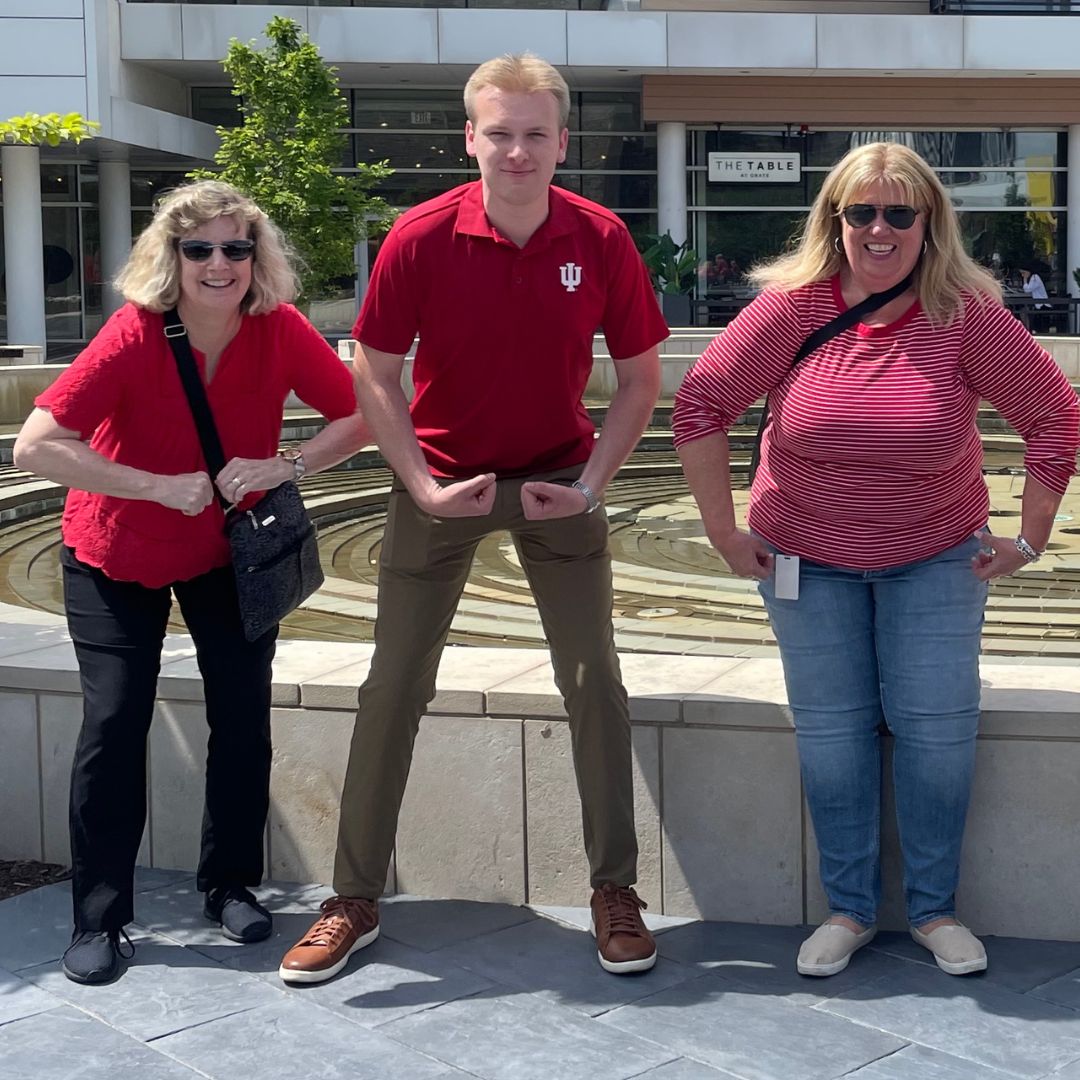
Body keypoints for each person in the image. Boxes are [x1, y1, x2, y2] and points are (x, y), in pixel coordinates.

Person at [278, 53, 667, 986]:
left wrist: (592, 487)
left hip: (556, 485)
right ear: (470, 137)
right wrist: (414, 483)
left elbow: (642, 378)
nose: (518, 150)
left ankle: (615, 889)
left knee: (594, 682)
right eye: (500, 132)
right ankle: (353, 896)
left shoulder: (600, 237)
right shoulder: (419, 238)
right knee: (391, 688)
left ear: (562, 141)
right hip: (444, 484)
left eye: (536, 133)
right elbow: (372, 370)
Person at [673, 142, 1079, 979]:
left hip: (935, 559)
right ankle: (851, 908)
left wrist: (1030, 537)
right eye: (861, 212)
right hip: (803, 560)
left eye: (900, 212)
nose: (880, 228)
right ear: (835, 220)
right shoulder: (791, 307)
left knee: (935, 735)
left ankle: (933, 910)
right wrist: (722, 530)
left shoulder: (961, 312)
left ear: (930, 223)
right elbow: (702, 401)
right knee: (832, 737)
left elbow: (1054, 415)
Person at [13, 180, 369, 985]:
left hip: (226, 555)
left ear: (256, 258)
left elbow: (366, 416)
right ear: (170, 255)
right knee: (113, 724)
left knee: (241, 718)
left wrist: (288, 463)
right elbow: (35, 445)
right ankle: (99, 917)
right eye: (198, 248)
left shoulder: (279, 330)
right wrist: (152, 483)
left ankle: (230, 884)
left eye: (235, 249)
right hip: (115, 550)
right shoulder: (134, 335)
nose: (218, 264)